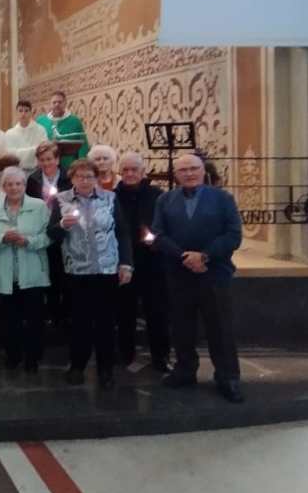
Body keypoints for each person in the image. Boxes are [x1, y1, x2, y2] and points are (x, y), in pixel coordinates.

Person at [152, 153, 243, 403]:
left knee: (220, 328)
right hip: (179, 273)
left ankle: (228, 377)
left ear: (203, 171)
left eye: (194, 168)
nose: (189, 173)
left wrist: (204, 256)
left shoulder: (223, 199)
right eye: (183, 170)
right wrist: (184, 256)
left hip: (214, 273)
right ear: (176, 175)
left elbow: (233, 235)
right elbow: (158, 235)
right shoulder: (165, 200)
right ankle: (184, 371)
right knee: (182, 327)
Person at [49, 158, 132, 388]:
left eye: (89, 177)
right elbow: (51, 234)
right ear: (72, 178)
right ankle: (77, 366)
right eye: (80, 176)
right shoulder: (61, 199)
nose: (85, 181)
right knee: (79, 321)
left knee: (106, 322)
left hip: (106, 269)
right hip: (77, 270)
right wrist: (62, 225)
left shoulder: (110, 198)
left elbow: (123, 232)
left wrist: (126, 263)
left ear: (96, 178)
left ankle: (106, 370)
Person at [0, 167, 50, 372]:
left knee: (34, 320)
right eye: (9, 184)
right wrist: (2, 238)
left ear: (24, 185)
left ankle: (32, 359)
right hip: (5, 274)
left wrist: (28, 241)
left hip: (33, 273)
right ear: (3, 187)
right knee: (10, 321)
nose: (14, 188)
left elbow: (48, 236)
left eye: (18, 183)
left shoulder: (39, 206)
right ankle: (13, 356)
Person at [115, 152, 169, 372]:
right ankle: (125, 354)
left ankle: (161, 357)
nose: (129, 174)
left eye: (134, 169)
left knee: (156, 311)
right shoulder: (112, 196)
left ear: (143, 171)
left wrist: (155, 238)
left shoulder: (158, 195)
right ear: (119, 172)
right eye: (125, 170)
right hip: (123, 261)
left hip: (152, 260)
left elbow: (166, 224)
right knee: (124, 311)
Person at [28, 141, 72, 326]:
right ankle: (48, 312)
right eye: (42, 160)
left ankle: (62, 314)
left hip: (63, 230)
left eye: (49, 159)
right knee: (46, 271)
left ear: (57, 159)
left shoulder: (68, 177)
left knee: (62, 273)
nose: (46, 163)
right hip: (41, 230)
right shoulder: (33, 179)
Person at [35, 91, 88, 169]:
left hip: (68, 163)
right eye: (54, 102)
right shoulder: (41, 121)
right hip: (46, 164)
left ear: (65, 103)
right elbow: (35, 142)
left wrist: (81, 164)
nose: (57, 104)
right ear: (50, 104)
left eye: (60, 102)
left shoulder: (75, 121)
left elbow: (83, 144)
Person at [5, 100, 49, 171]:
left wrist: (19, 152)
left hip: (36, 170)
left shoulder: (40, 130)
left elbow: (43, 150)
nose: (23, 114)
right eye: (20, 111)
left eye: (26, 111)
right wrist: (33, 150)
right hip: (17, 170)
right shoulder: (9, 133)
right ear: (16, 113)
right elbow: (10, 154)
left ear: (31, 112)